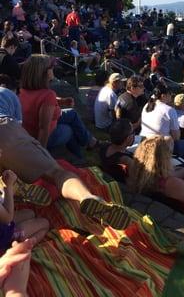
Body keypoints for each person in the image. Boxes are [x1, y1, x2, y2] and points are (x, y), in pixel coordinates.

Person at [0, 85, 130, 230]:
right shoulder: (6, 94)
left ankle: (14, 187)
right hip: (5, 130)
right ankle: (86, 197)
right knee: (57, 173)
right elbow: (14, 138)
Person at [19, 54, 98, 158]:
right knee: (69, 129)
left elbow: (38, 102)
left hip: (28, 132)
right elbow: (43, 129)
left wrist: (62, 101)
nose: (53, 69)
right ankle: (80, 155)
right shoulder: (48, 95)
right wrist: (41, 155)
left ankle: (89, 143)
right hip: (39, 136)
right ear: (43, 73)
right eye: (51, 67)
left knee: (71, 113)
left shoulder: (22, 90)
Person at [0, 169, 49, 252]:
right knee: (45, 223)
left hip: (3, 225)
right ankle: (21, 247)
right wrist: (9, 186)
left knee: (30, 213)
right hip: (5, 236)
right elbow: (8, 218)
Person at [140, 84, 184, 160]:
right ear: (163, 96)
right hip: (161, 147)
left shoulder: (146, 106)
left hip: (145, 142)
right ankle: (182, 165)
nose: (171, 95)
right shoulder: (169, 110)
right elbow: (176, 137)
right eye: (170, 94)